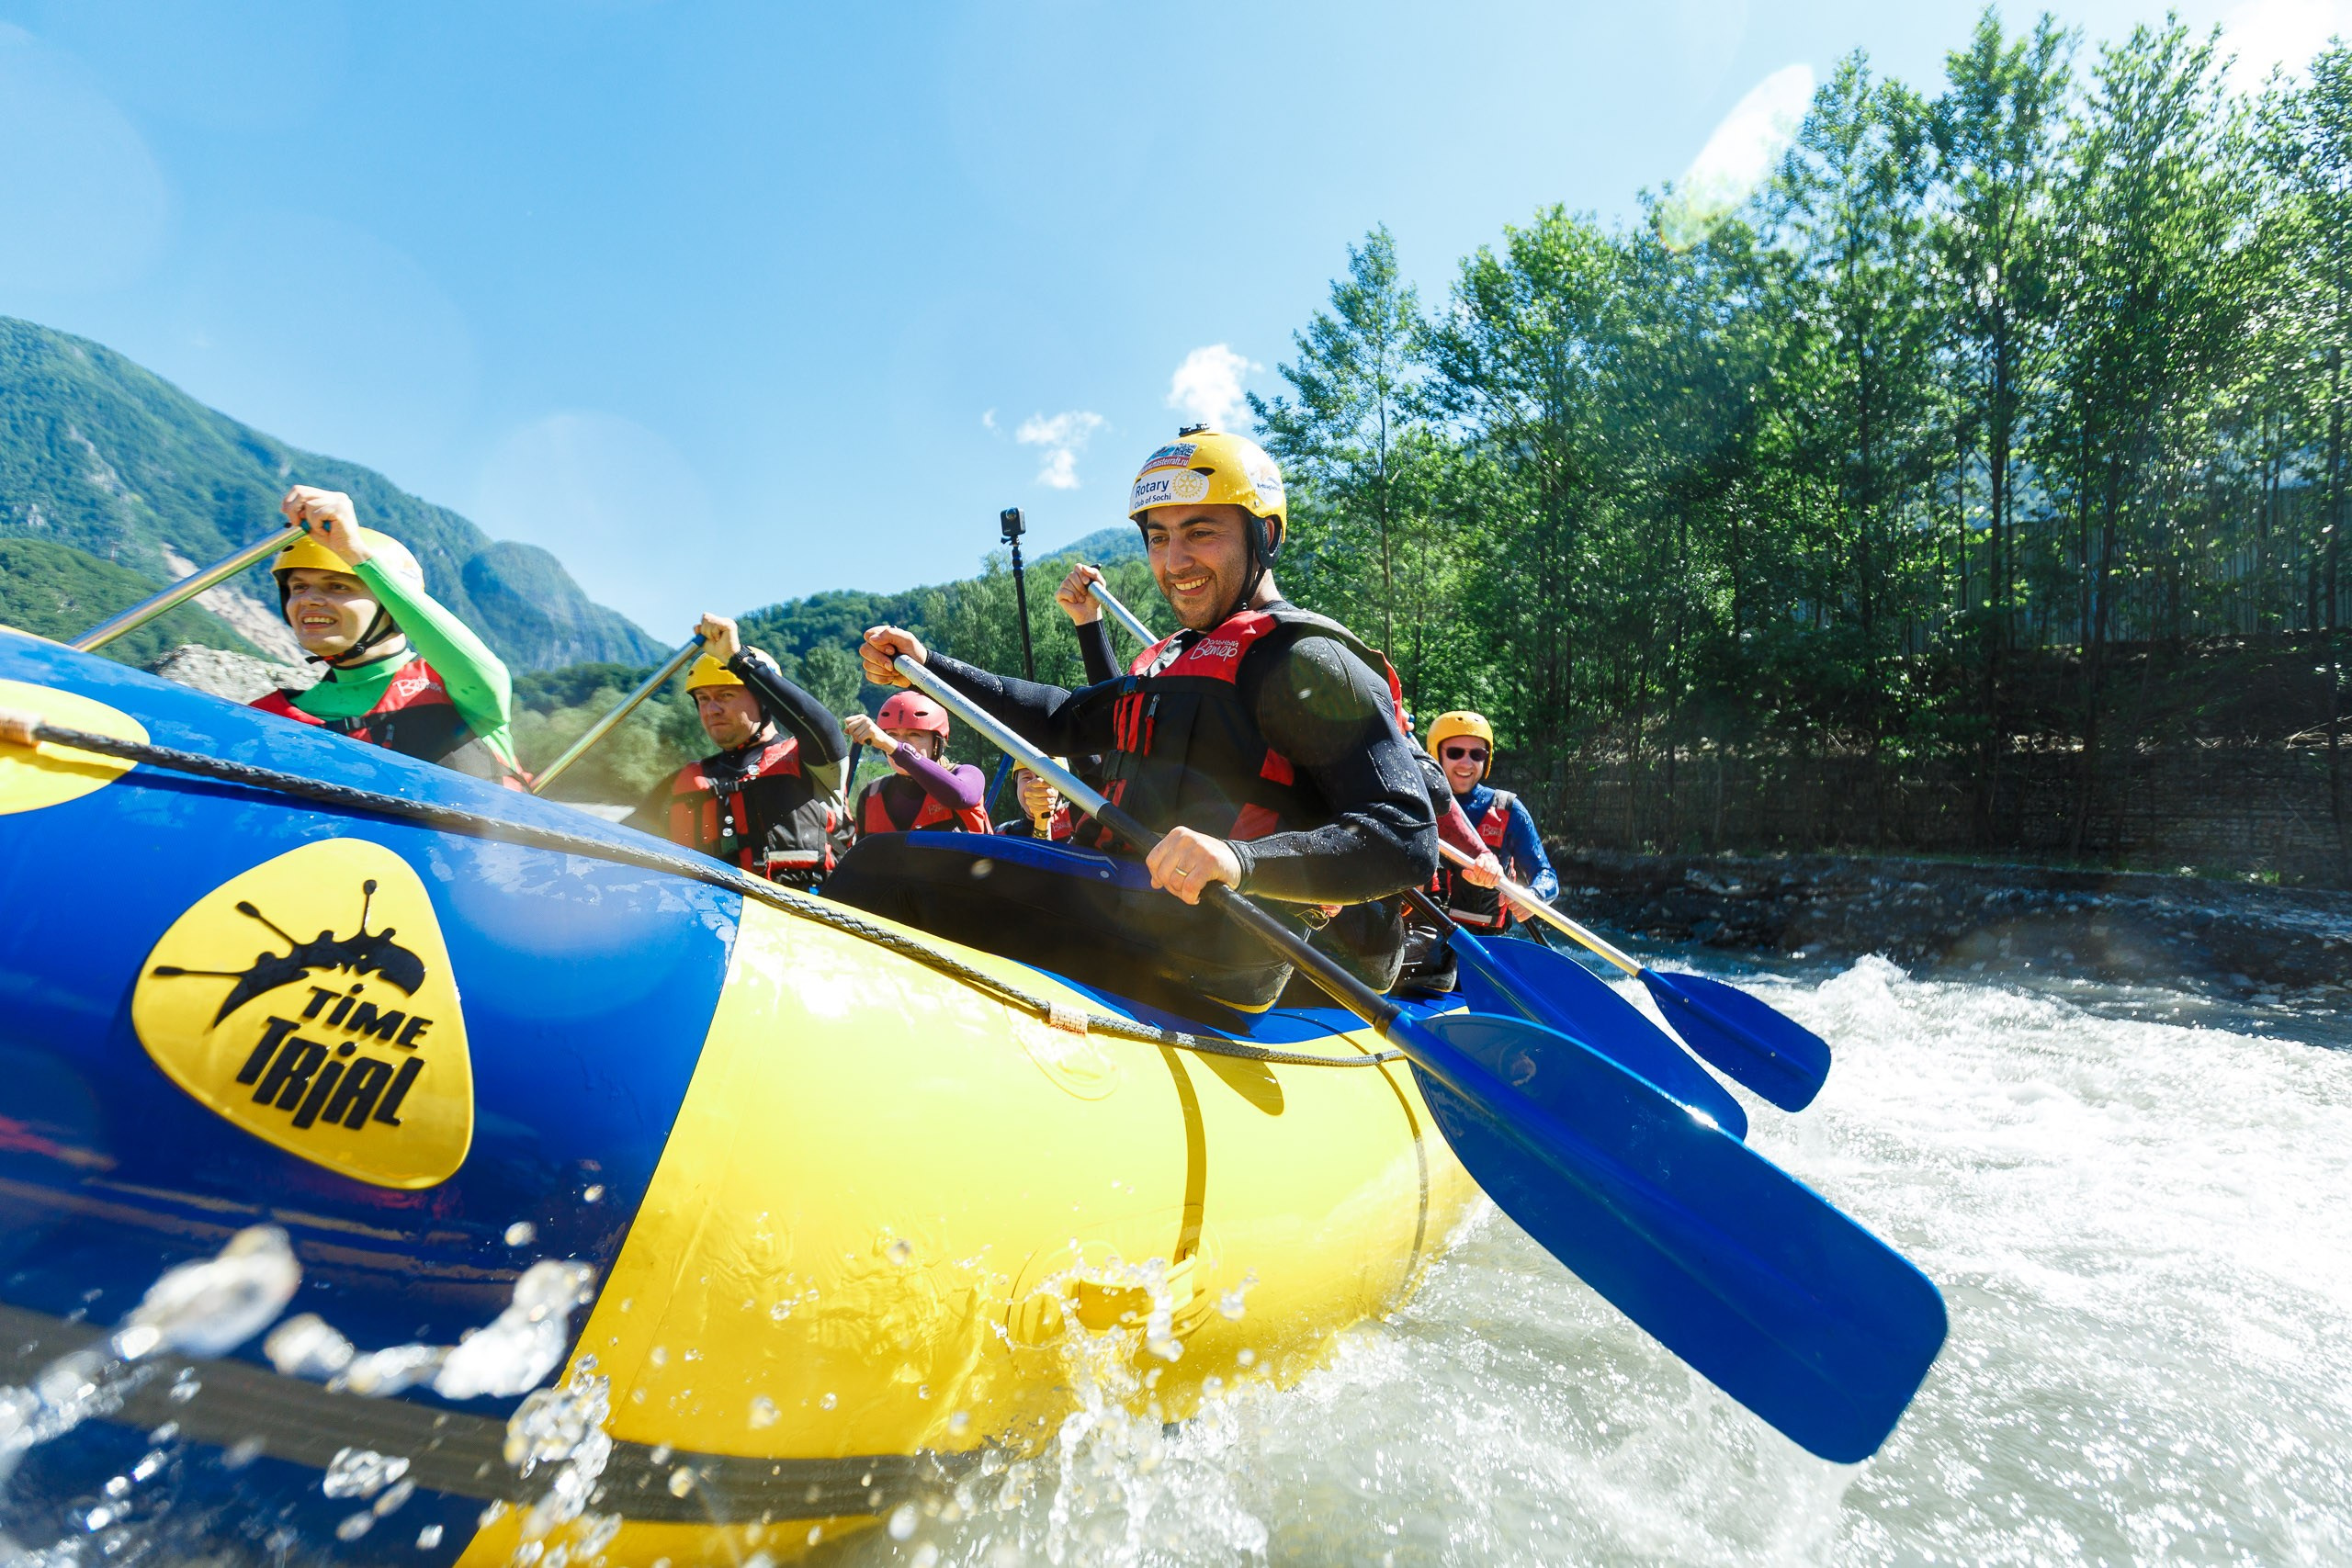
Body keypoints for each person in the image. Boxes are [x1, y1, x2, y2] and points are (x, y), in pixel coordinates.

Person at [828, 426, 1436, 1016]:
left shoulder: (1308, 659)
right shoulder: (1181, 659)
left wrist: (1238, 860)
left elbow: (1407, 836)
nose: (1175, 561)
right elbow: (1062, 717)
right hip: (1132, 899)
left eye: (1201, 533)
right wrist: (929, 666)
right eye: (1158, 537)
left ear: (1265, 534)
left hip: (1215, 937)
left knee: (881, 870)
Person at [252, 486, 523, 786]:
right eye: (299, 587)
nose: (308, 599)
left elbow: (487, 671)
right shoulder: (269, 717)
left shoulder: (463, 689)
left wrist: (355, 552)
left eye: (338, 586)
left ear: (392, 606)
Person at [632, 614, 851, 886]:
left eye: (726, 696)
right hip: (712, 919)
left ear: (764, 700)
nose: (712, 709)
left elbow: (823, 726)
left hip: (804, 915)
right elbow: (619, 844)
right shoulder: (683, 781)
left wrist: (739, 659)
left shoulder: (813, 763)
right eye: (703, 699)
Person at [1424, 710, 1558, 930]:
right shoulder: (1417, 804)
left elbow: (1546, 875)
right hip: (1427, 934)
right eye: (1456, 753)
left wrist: (1535, 895)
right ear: (1435, 754)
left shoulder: (1509, 810)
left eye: (1477, 754)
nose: (1467, 764)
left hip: (1486, 944)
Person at [842, 693, 993, 837]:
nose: (899, 743)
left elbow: (961, 796)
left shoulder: (967, 775)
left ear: (937, 743)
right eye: (892, 735)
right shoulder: (872, 794)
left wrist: (895, 748)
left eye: (914, 734)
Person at [994, 761, 1077, 840]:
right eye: (1027, 777)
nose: (1036, 783)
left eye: (1046, 777)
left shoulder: (1078, 816)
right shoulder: (1002, 833)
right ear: (1016, 787)